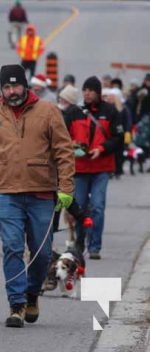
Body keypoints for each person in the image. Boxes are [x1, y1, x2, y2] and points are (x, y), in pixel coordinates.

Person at [0, 64, 75, 328]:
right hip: (6, 192)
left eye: (16, 85)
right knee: (12, 247)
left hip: (41, 192)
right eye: (6, 87)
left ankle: (31, 293)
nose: (12, 91)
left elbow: (64, 151)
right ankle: (16, 305)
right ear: (1, 89)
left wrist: (66, 188)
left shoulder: (48, 111)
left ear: (26, 85)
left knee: (41, 250)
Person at [66, 76, 123, 259]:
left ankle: (95, 246)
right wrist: (72, 144)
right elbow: (63, 136)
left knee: (97, 206)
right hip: (80, 168)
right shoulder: (74, 112)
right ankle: (79, 242)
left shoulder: (111, 111)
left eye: (91, 90)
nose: (87, 93)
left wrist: (102, 148)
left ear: (98, 92)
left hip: (101, 167)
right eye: (85, 90)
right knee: (79, 207)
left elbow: (118, 138)